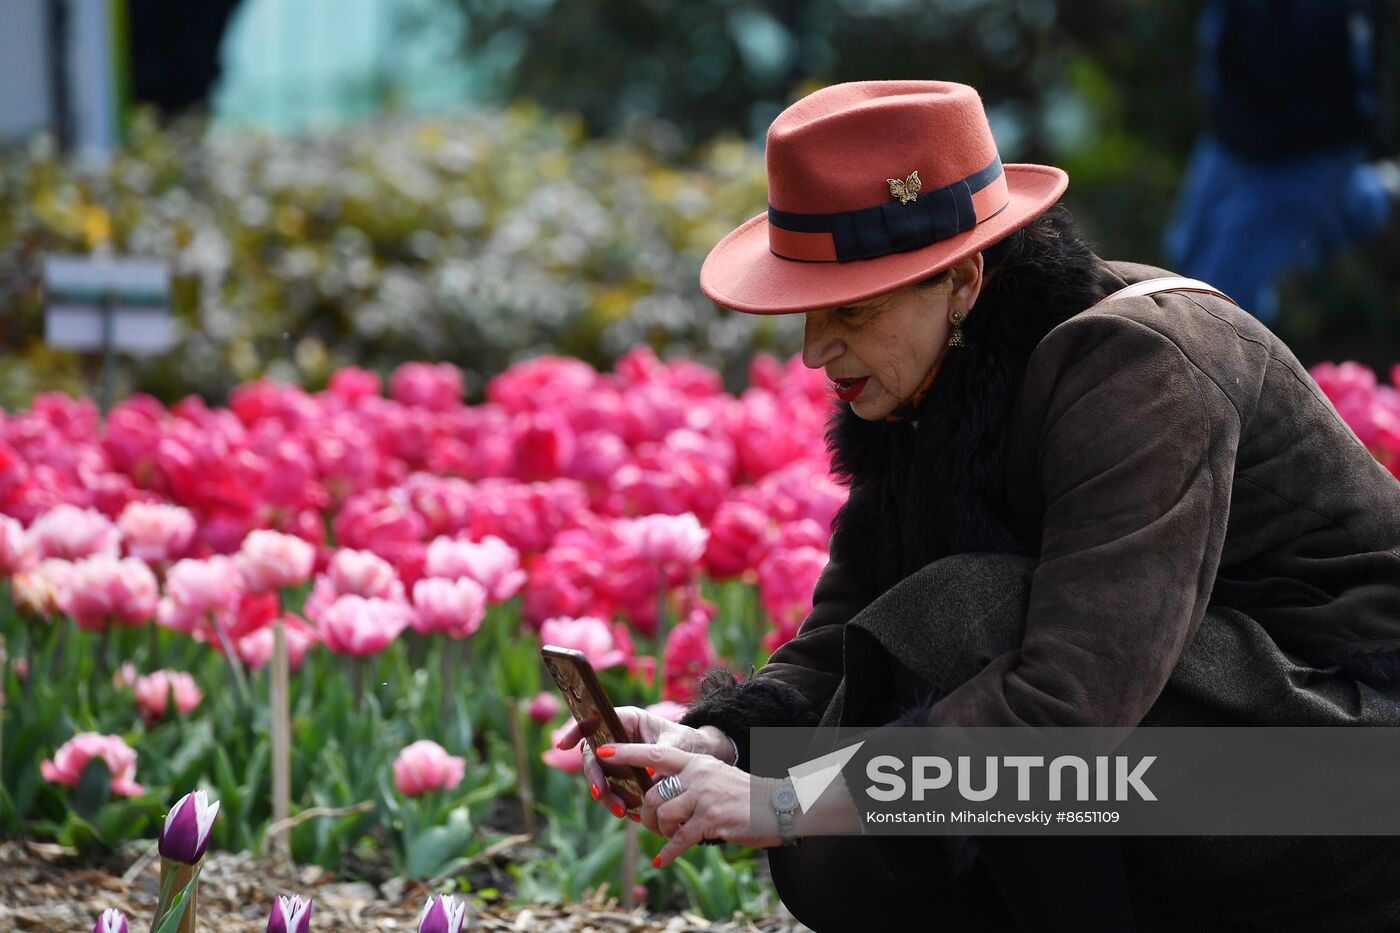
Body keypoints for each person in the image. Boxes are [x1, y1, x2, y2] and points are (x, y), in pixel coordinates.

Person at [553, 80, 1400, 930]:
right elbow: (858, 619)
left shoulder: (1139, 374)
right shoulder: (927, 382)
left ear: (962, 280)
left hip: (1349, 778)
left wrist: (781, 797)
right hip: (1186, 761)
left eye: (849, 309)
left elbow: (1067, 711)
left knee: (966, 622)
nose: (815, 352)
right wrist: (717, 741)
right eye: (807, 312)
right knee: (852, 827)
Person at [1163, 0, 1399, 326]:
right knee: (1185, 254)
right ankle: (1367, 195)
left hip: (1309, 146)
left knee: (1220, 295)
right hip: (1235, 130)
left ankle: (1236, 367)